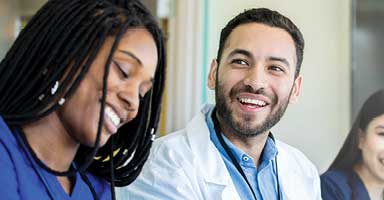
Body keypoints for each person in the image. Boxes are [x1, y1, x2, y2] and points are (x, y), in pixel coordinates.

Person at [117, 8, 321, 200]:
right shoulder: (161, 165)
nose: (255, 82)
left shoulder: (303, 171)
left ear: (295, 88)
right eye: (240, 61)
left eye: (275, 68)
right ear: (213, 73)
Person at [0, 0, 166, 199]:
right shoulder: (5, 154)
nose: (133, 101)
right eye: (123, 71)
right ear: (65, 51)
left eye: (142, 93)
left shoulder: (97, 190)